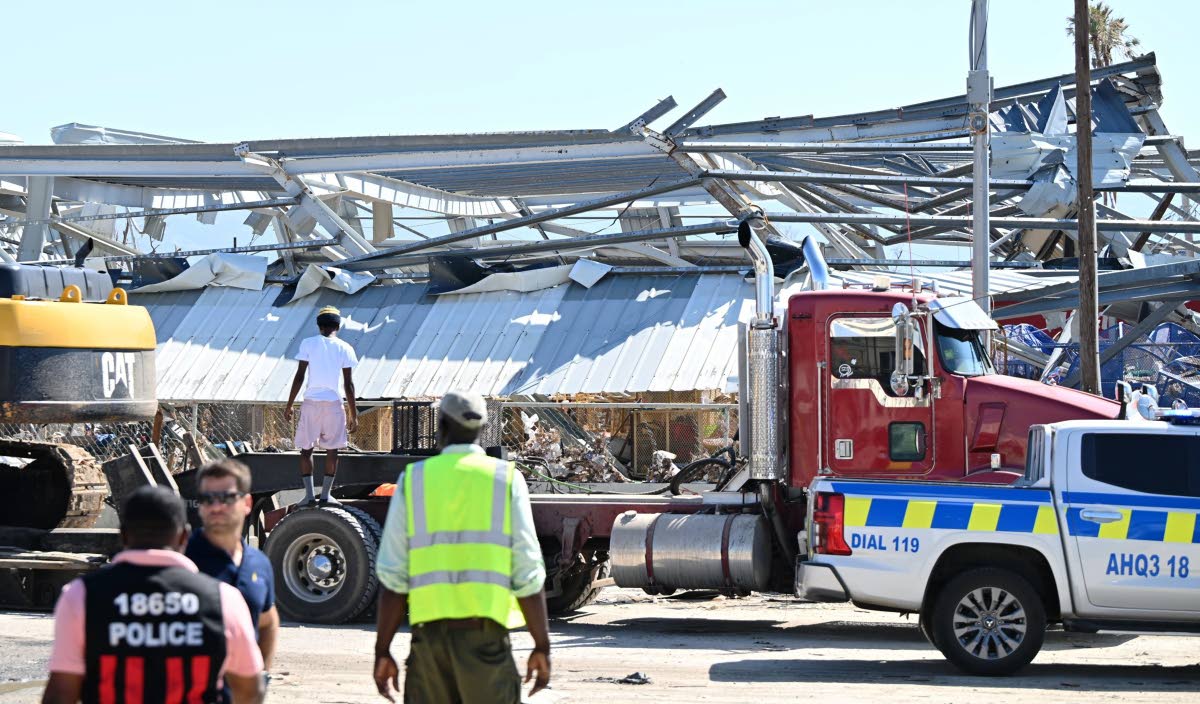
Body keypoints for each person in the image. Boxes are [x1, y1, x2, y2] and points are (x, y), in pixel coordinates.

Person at [373, 390, 551, 703]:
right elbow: (528, 572)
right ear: (483, 430)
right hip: (486, 643)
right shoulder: (507, 480)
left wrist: (383, 650)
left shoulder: (414, 480)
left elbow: (394, 577)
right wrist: (541, 646)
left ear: (440, 426)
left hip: (428, 646)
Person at [42, 485, 264, 704]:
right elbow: (249, 691)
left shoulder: (82, 596)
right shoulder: (223, 599)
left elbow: (61, 694)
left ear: (124, 536)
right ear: (184, 537)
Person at [186, 459, 279, 680]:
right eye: (207, 499)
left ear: (247, 503)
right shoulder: (184, 560)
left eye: (226, 498)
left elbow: (268, 622)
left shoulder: (259, 563)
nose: (216, 507)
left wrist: (261, 676)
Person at [283, 305, 359, 506]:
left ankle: (309, 496)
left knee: (306, 450)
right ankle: (326, 495)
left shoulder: (308, 344)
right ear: (338, 325)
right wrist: (353, 413)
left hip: (311, 403)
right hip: (334, 405)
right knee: (332, 450)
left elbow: (299, 377)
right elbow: (348, 384)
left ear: (319, 325)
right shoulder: (345, 348)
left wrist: (289, 404)